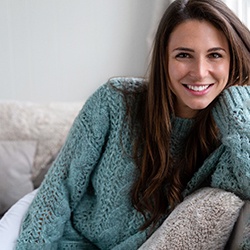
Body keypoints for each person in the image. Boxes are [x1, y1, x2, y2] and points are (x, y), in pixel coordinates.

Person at [16, 0, 250, 249]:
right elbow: (59, 189)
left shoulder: (230, 135)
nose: (200, 72)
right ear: (164, 59)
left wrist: (236, 111)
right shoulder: (114, 100)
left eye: (215, 55)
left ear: (232, 59)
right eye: (183, 55)